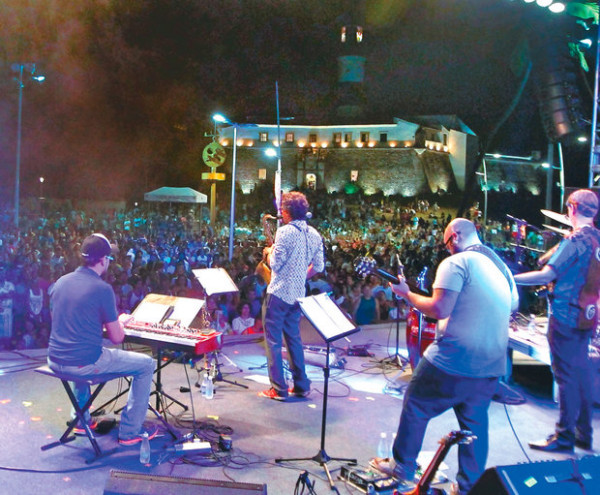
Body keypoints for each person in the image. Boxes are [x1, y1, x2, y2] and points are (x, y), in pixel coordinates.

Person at [370, 218, 518, 494]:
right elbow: (514, 303)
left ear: (457, 237)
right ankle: (467, 487)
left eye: (448, 242)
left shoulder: (456, 263)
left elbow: (439, 308)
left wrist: (407, 295)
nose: (447, 248)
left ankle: (403, 467)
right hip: (491, 364)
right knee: (474, 425)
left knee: (415, 403)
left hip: (454, 359)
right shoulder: (499, 267)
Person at [47, 233, 157, 445]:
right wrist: (120, 323)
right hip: (82, 363)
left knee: (83, 350)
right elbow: (117, 337)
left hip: (55, 359)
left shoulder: (61, 282)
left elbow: (61, 320)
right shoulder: (102, 289)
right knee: (146, 364)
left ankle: (81, 420)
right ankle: (130, 432)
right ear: (103, 260)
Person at [514, 189, 600, 453]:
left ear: (572, 209)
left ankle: (563, 437)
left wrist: (510, 279)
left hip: (566, 315)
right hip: (588, 315)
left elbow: (545, 274)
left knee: (565, 377)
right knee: (581, 374)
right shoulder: (596, 238)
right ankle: (583, 434)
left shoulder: (575, 240)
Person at [260, 192, 324, 401]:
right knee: (294, 340)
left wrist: (268, 252)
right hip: (298, 295)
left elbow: (275, 264)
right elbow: (320, 266)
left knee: (273, 342)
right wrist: (299, 276)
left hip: (278, 293)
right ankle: (301, 385)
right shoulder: (314, 234)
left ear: (286, 212)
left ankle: (278, 389)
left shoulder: (285, 232)